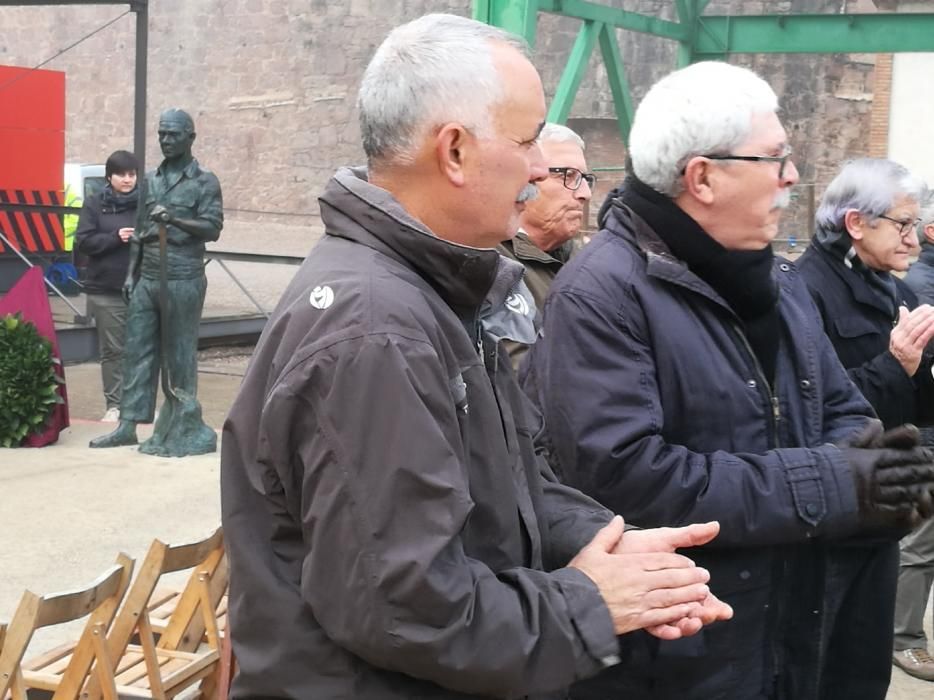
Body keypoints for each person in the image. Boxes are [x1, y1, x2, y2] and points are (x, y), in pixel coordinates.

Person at [220, 14, 734, 700]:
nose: (537, 171)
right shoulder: (378, 331)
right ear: (455, 150)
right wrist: (590, 601)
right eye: (527, 143)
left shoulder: (431, 293)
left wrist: (598, 542)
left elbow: (501, 487)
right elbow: (409, 609)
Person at [523, 60, 934, 700]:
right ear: (703, 177)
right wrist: (836, 482)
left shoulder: (778, 285)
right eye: (775, 158)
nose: (792, 177)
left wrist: (866, 477)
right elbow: (630, 480)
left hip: (787, 631)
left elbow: (848, 413)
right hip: (680, 658)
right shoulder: (602, 294)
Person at [807, 178, 934, 682]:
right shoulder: (806, 289)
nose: (915, 237)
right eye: (903, 224)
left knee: (863, 667)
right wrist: (899, 360)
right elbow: (820, 406)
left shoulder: (894, 288)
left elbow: (917, 398)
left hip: (886, 499)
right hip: (838, 504)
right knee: (824, 665)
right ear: (856, 224)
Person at [89, 108, 223, 456]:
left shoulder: (204, 181)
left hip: (183, 277)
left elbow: (213, 228)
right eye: (162, 134)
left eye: (173, 134)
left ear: (190, 137)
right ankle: (127, 425)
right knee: (138, 351)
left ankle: (181, 424)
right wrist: (131, 275)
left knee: (179, 354)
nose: (165, 140)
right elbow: (139, 233)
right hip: (147, 277)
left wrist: (174, 219)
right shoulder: (151, 180)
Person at [498, 122, 594, 367]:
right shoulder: (491, 261)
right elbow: (517, 373)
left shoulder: (587, 260)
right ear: (529, 177)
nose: (585, 193)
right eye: (569, 175)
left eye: (585, 179)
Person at [74, 150, 138, 421]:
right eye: (121, 174)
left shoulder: (145, 203)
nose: (127, 179)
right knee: (113, 349)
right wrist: (115, 237)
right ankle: (115, 404)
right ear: (109, 177)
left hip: (140, 286)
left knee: (140, 348)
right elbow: (84, 241)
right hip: (106, 288)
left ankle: (139, 405)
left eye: (132, 174)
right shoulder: (94, 204)